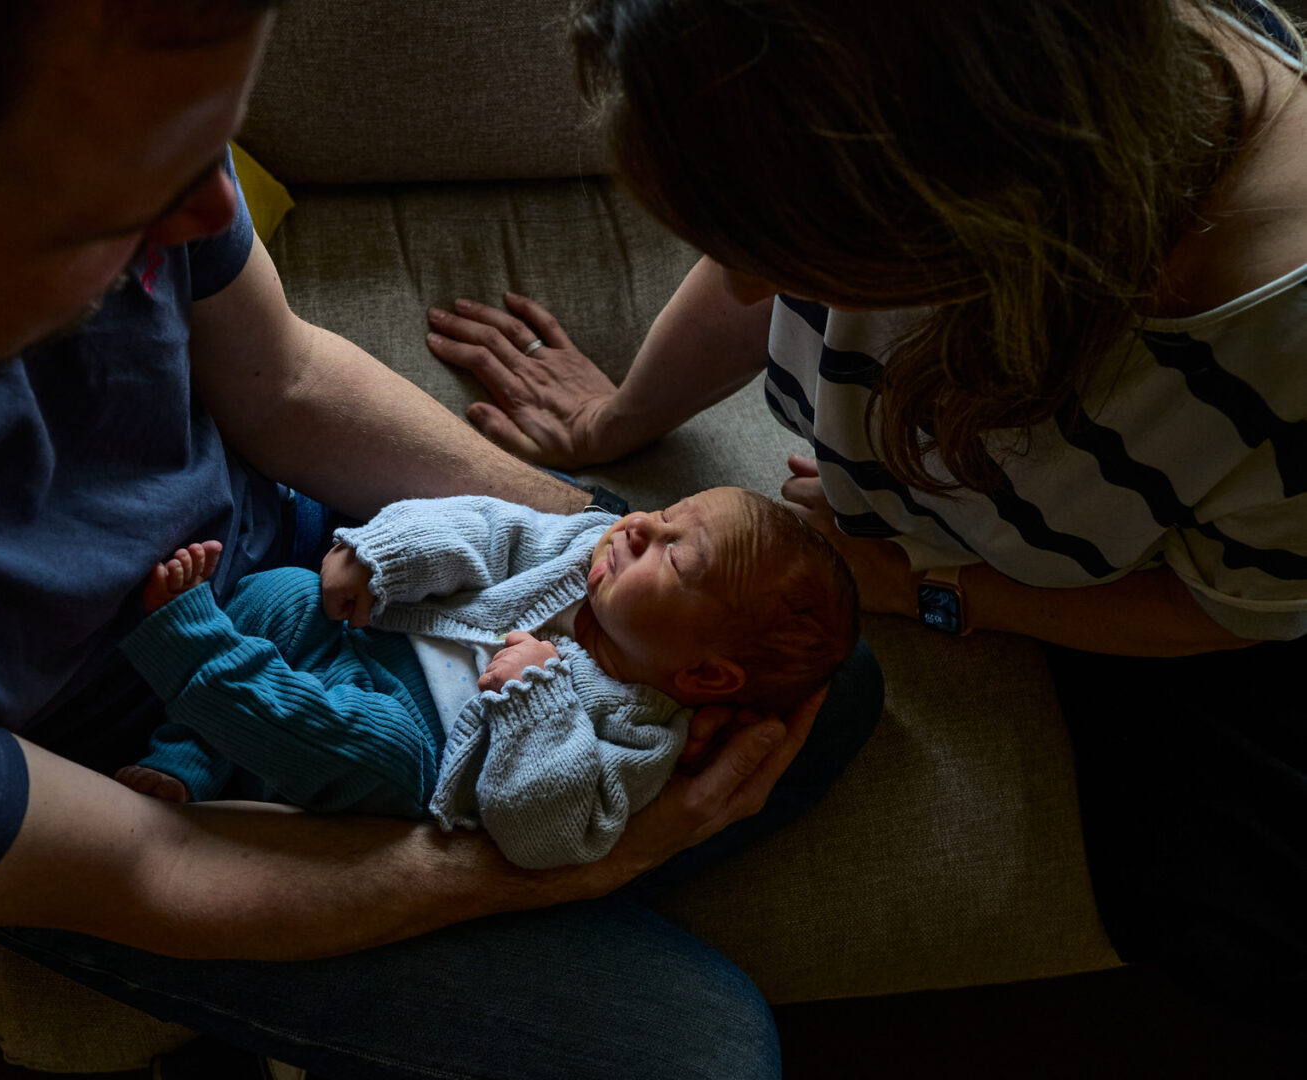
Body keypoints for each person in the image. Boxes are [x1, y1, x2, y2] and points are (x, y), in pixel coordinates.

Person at [0, 4, 885, 1076]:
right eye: (120, 200)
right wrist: (560, 863)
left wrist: (578, 541)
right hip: (134, 781)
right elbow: (150, 866)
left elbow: (293, 380)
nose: (219, 215)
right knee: (701, 1050)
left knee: (821, 681)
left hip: (312, 575)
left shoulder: (107, 88)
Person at [426, 0, 1307, 1025]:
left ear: (971, 214)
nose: (750, 288)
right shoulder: (873, 102)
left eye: (783, 251)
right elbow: (753, 255)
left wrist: (927, 588)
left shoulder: (1272, 353)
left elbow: (1230, 608)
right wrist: (616, 416)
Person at [115, 488, 859, 869]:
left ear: (703, 670)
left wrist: (537, 698)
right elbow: (484, 526)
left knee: (370, 747)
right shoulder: (578, 550)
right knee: (283, 594)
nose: (638, 528)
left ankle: (194, 657)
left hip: (418, 753)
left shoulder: (641, 736)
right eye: (664, 514)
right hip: (373, 636)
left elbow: (546, 832)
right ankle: (186, 759)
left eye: (673, 555)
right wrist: (382, 555)